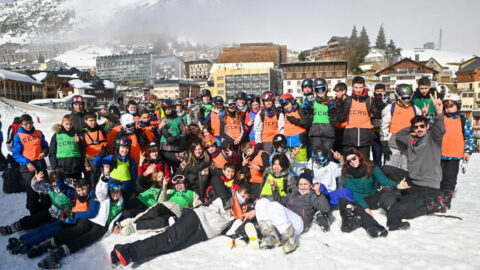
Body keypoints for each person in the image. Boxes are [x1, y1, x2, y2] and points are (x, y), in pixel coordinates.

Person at [110, 183, 254, 267]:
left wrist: (251, 214)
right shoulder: (227, 195)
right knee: (167, 239)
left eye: (246, 199)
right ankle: (128, 252)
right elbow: (216, 182)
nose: (243, 200)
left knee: (169, 246)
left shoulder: (242, 212)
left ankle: (121, 253)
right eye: (242, 195)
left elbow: (237, 228)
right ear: (237, 191)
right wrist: (229, 201)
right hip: (196, 218)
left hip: (202, 233)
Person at [386, 93, 446, 231]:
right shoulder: (411, 140)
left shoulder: (433, 139)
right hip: (412, 180)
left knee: (402, 210)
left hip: (427, 185)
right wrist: (412, 126)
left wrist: (438, 113)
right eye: (416, 127)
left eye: (422, 126)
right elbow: (397, 136)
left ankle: (431, 204)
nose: (419, 129)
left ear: (427, 127)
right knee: (386, 169)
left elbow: (440, 130)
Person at [35, 177, 123, 269]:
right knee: (75, 230)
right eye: (113, 191)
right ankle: (47, 245)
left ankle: (57, 255)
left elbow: (118, 216)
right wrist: (105, 175)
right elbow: (101, 187)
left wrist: (117, 224)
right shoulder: (103, 196)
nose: (115, 194)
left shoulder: (121, 203)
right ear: (109, 191)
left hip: (102, 227)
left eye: (118, 192)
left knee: (84, 239)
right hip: (91, 219)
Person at [342, 148, 411, 237]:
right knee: (357, 209)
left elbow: (383, 180)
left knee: (391, 197)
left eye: (354, 158)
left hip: (373, 195)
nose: (352, 162)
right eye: (349, 161)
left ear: (358, 156)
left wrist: (396, 185)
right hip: (359, 199)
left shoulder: (371, 166)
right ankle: (373, 228)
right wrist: (365, 208)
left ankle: (394, 223)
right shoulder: (346, 173)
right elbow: (353, 192)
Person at [255, 172, 330, 253]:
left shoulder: (312, 196)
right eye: (300, 184)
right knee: (262, 202)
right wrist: (274, 189)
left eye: (305, 184)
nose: (303, 187)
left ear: (311, 185)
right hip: (287, 220)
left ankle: (290, 239)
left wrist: (319, 193)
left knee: (273, 206)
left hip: (299, 223)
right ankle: (269, 234)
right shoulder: (294, 194)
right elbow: (280, 201)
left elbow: (325, 208)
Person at [120, 174, 202, 236]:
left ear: (185, 184)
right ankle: (132, 221)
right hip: (165, 205)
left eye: (181, 183)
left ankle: (133, 228)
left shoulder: (192, 194)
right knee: (154, 211)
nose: (179, 186)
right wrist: (164, 188)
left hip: (176, 212)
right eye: (177, 184)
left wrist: (189, 209)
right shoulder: (171, 191)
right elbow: (160, 201)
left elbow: (199, 207)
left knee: (161, 222)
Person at [0, 171, 72, 236]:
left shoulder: (69, 189)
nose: (54, 183)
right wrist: (36, 180)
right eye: (52, 181)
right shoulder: (51, 188)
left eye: (56, 181)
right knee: (36, 218)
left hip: (66, 216)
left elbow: (79, 187)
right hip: (53, 212)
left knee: (48, 229)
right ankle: (15, 227)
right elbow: (36, 187)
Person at [439, 94, 474, 208]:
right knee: (439, 177)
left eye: (451, 105)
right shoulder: (441, 118)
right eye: (446, 106)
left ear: (457, 106)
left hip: (454, 155)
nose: (448, 108)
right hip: (440, 154)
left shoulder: (463, 120)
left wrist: (467, 151)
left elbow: (469, 137)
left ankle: (446, 198)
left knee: (450, 177)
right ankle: (437, 198)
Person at [13, 114, 51, 215]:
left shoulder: (38, 133)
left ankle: (46, 212)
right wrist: (27, 163)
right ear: (21, 125)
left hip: (39, 164)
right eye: (26, 124)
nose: (29, 125)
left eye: (30, 123)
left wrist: (44, 152)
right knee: (32, 190)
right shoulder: (18, 136)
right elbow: (16, 154)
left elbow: (45, 146)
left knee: (45, 188)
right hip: (27, 166)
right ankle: (34, 213)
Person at [380, 84, 421, 170]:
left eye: (409, 98)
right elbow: (384, 124)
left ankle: (405, 182)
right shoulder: (391, 108)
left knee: (406, 168)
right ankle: (390, 183)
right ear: (397, 97)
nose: (406, 100)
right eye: (403, 98)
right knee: (391, 167)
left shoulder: (415, 109)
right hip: (394, 143)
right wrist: (384, 141)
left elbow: (420, 124)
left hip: (408, 143)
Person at [336, 76, 377, 158]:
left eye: (360, 87)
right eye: (356, 87)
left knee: (364, 164)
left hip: (365, 139)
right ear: (352, 87)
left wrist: (380, 104)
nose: (358, 90)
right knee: (349, 163)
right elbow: (341, 118)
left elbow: (377, 115)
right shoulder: (348, 100)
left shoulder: (370, 100)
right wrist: (339, 104)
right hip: (350, 138)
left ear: (364, 87)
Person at [306, 78, 337, 161]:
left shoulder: (331, 102)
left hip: (328, 134)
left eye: (322, 89)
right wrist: (306, 108)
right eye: (317, 90)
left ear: (326, 88)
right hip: (315, 134)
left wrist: (332, 109)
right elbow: (306, 118)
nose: (320, 92)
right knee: (317, 157)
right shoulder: (312, 102)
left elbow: (335, 119)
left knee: (328, 156)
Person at [49, 115, 84, 179]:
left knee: (77, 186)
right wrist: (54, 166)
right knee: (64, 186)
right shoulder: (57, 135)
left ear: (73, 124)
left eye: (71, 124)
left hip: (75, 165)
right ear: (62, 123)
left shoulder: (77, 134)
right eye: (66, 124)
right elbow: (52, 151)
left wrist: (79, 142)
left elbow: (82, 149)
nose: (69, 126)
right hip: (62, 166)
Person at [158, 99, 187, 170]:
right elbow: (158, 135)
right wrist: (159, 127)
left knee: (176, 167)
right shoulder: (162, 120)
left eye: (169, 109)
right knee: (166, 168)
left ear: (172, 108)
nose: (167, 111)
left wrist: (176, 138)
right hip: (164, 148)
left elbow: (184, 134)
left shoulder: (179, 119)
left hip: (175, 147)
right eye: (165, 109)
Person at [81, 111, 108, 187]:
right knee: (93, 180)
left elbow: (113, 120)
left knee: (104, 179)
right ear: (85, 120)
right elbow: (82, 150)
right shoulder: (83, 132)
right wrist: (86, 164)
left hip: (103, 158)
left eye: (95, 120)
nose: (93, 122)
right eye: (90, 121)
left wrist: (105, 113)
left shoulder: (102, 129)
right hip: (91, 160)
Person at [279, 93, 308, 162]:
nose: (286, 107)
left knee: (301, 160)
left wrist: (294, 120)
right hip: (289, 141)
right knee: (291, 160)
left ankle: (302, 172)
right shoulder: (284, 113)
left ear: (292, 102)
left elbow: (305, 122)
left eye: (287, 104)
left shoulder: (299, 110)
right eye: (284, 106)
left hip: (299, 140)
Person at [371, 83, 391, 166]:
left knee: (387, 155)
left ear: (385, 92)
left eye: (382, 91)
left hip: (386, 132)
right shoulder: (372, 102)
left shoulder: (389, 103)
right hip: (375, 130)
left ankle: (386, 171)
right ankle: (377, 170)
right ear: (374, 92)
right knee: (377, 154)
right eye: (377, 91)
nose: (379, 93)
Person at [333, 83, 347, 151]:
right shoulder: (335, 101)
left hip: (345, 129)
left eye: (337, 91)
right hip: (336, 129)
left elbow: (343, 117)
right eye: (335, 91)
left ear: (344, 91)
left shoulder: (348, 101)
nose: (336, 93)